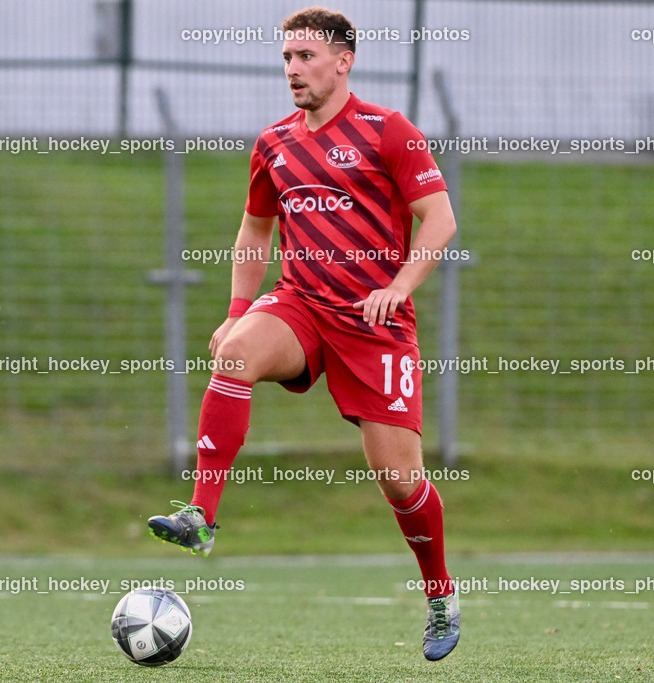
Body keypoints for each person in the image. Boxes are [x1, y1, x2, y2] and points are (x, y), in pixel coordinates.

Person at [147, 7, 460, 661]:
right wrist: (237, 309)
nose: (293, 68)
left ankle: (440, 596)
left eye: (306, 56)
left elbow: (439, 219)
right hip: (303, 306)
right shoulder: (274, 143)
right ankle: (201, 516)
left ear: (344, 62)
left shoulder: (388, 130)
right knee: (234, 355)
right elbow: (255, 229)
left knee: (400, 481)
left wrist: (399, 286)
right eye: (287, 57)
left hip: (374, 326)